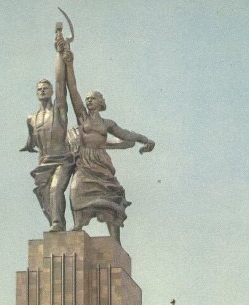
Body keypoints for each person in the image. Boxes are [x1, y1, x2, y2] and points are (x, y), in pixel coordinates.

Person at [63, 49, 154, 245]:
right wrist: (69, 64)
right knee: (76, 189)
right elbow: (72, 89)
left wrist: (144, 139)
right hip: (84, 162)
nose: (88, 100)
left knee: (110, 197)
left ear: (100, 102)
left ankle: (115, 241)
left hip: (101, 163)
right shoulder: (82, 117)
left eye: (92, 98)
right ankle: (78, 224)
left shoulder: (107, 124)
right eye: (87, 98)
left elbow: (126, 134)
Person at [21, 25, 75, 232]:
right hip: (43, 163)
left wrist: (60, 53)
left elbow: (62, 82)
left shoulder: (59, 110)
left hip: (62, 159)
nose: (42, 90)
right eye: (39, 89)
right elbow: (30, 138)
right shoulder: (31, 118)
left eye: (46, 88)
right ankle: (54, 221)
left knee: (55, 190)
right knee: (43, 196)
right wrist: (27, 146)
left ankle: (58, 223)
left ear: (52, 91)